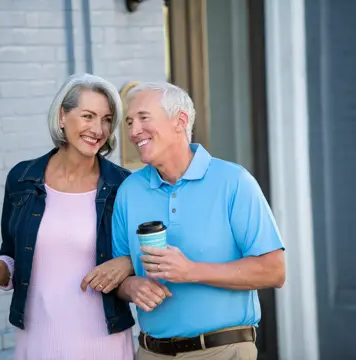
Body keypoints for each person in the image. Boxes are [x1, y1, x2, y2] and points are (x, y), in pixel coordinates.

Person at [0, 73, 136, 360]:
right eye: (88, 116)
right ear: (62, 116)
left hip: (103, 338)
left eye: (106, 119)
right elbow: (11, 256)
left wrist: (128, 262)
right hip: (38, 335)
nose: (98, 128)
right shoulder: (22, 178)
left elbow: (146, 253)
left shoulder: (123, 185)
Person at [112, 82, 286, 360]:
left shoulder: (233, 182)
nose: (133, 132)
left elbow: (274, 271)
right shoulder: (129, 191)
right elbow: (121, 270)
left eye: (143, 118)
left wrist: (191, 271)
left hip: (223, 351)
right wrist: (131, 287)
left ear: (180, 121)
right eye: (130, 122)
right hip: (151, 352)